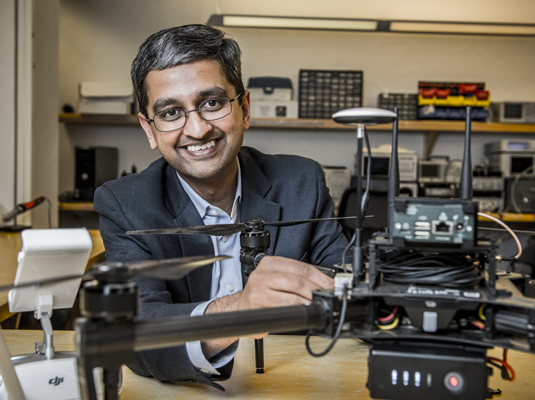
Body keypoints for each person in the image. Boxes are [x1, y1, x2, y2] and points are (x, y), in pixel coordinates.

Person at [93, 24, 348, 388]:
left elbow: (347, 287)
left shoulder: (301, 181)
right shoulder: (124, 204)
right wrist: (241, 310)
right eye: (170, 113)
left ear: (244, 108)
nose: (196, 129)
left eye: (211, 103)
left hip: (292, 380)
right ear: (149, 130)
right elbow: (136, 331)